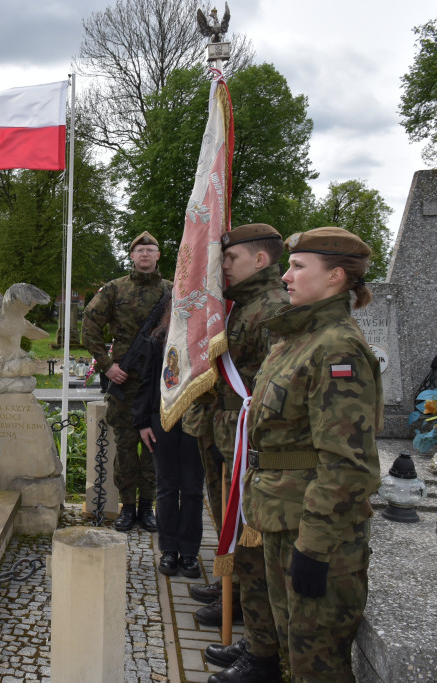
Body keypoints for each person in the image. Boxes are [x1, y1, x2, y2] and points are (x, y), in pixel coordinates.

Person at [242, 227, 382, 683]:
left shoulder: (338, 347)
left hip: (313, 531)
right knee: (292, 652)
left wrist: (315, 546)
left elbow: (348, 463)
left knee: (316, 666)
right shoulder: (299, 336)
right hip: (283, 516)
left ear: (336, 277)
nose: (286, 276)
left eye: (299, 267)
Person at [202, 224, 290, 682]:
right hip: (234, 439)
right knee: (246, 551)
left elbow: (275, 388)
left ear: (260, 260)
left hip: (252, 447)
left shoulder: (272, 307)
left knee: (255, 554)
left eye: (230, 257)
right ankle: (256, 642)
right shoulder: (247, 305)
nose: (224, 266)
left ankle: (263, 656)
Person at [82, 231, 172, 532]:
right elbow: (89, 327)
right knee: (125, 448)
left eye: (151, 249)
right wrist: (107, 367)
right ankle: (128, 508)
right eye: (140, 250)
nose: (145, 254)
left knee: (154, 449)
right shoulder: (114, 289)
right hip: (125, 383)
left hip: (160, 384)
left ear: (158, 255)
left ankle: (148, 508)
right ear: (132, 256)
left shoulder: (173, 292)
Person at [131, 295, 204, 577]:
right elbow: (147, 383)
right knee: (167, 487)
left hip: (196, 421)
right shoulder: (159, 338)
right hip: (162, 419)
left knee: (193, 489)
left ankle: (189, 553)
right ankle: (169, 550)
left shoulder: (208, 337)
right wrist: (142, 423)